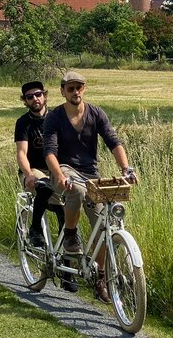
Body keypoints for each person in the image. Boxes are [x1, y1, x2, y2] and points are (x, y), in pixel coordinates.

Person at [43, 71, 137, 303]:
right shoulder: (55, 117)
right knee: (77, 190)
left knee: (105, 224)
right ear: (62, 91)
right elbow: (50, 153)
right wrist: (59, 176)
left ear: (84, 88)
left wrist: (126, 169)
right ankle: (71, 236)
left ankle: (101, 278)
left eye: (79, 87)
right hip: (64, 170)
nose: (75, 92)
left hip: (91, 174)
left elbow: (113, 142)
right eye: (70, 88)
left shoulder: (96, 113)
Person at [13, 81, 65, 248]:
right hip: (33, 170)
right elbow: (21, 153)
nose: (35, 99)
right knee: (45, 186)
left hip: (55, 170)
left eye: (38, 94)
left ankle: (64, 261)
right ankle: (35, 229)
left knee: (66, 212)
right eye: (30, 97)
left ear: (45, 96)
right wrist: (28, 174)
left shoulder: (57, 118)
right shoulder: (23, 122)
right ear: (25, 100)